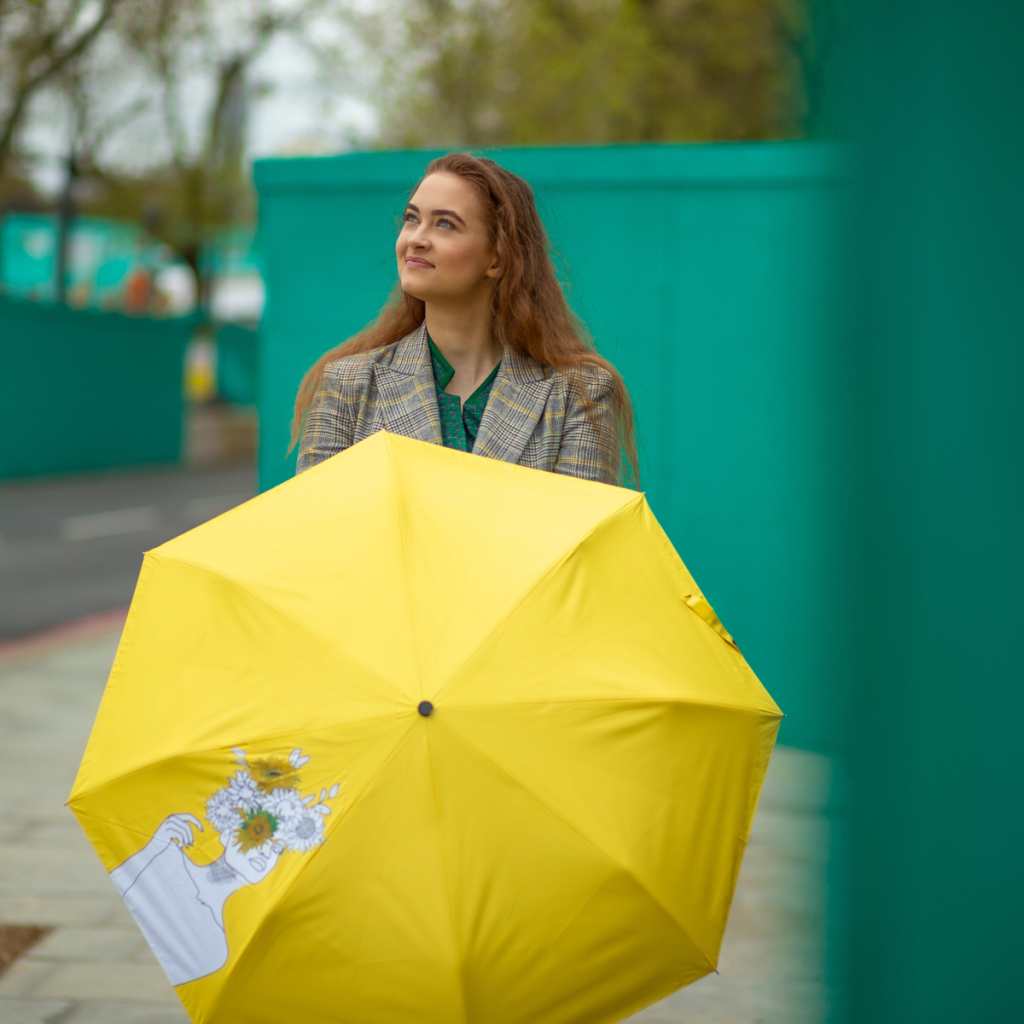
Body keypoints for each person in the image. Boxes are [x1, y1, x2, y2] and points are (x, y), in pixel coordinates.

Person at [293, 153, 638, 486]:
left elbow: (580, 541)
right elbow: (319, 534)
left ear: (497, 258)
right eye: (412, 218)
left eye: (445, 224)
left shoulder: (578, 395)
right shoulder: (346, 386)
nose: (415, 239)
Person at [109, 749, 337, 986]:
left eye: (278, 849)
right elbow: (123, 880)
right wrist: (151, 850)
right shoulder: (165, 855)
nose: (268, 853)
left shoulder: (216, 951)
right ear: (228, 832)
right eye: (261, 833)